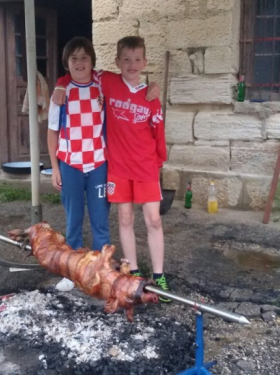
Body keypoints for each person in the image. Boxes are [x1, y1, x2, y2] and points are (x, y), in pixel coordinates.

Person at [54, 36, 171, 302]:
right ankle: (133, 271)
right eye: (126, 60)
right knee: (125, 220)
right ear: (117, 62)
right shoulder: (106, 81)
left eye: (137, 60)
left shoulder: (150, 96)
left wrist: (158, 164)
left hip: (145, 167)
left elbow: (158, 133)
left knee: (153, 219)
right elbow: (76, 72)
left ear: (145, 62)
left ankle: (160, 274)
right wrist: (60, 85)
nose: (132, 64)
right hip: (117, 166)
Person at [47, 37, 111, 292]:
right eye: (74, 58)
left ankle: (101, 270)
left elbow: (128, 78)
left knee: (100, 221)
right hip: (70, 164)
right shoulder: (60, 94)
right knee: (73, 220)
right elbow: (52, 132)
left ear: (92, 61)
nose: (80, 62)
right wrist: (54, 167)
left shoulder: (102, 85)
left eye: (84, 57)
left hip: (98, 164)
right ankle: (72, 271)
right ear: (67, 63)